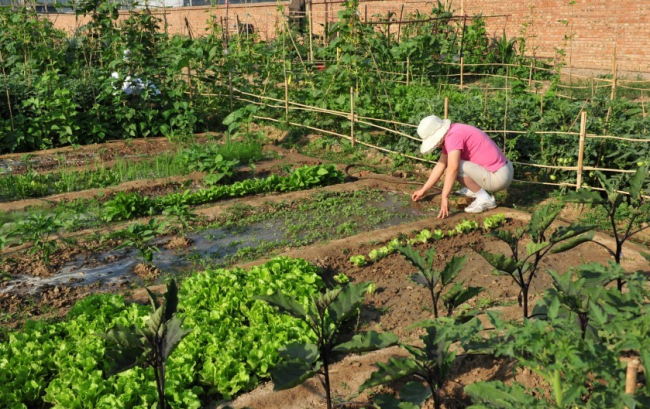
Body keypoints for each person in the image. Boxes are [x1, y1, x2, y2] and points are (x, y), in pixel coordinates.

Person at [411, 115, 513, 218]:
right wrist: (423, 190)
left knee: (456, 165)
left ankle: (484, 198)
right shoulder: (454, 131)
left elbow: (453, 168)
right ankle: (475, 189)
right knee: (453, 163)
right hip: (504, 170)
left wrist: (444, 196)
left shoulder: (452, 137)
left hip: (498, 177)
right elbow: (440, 165)